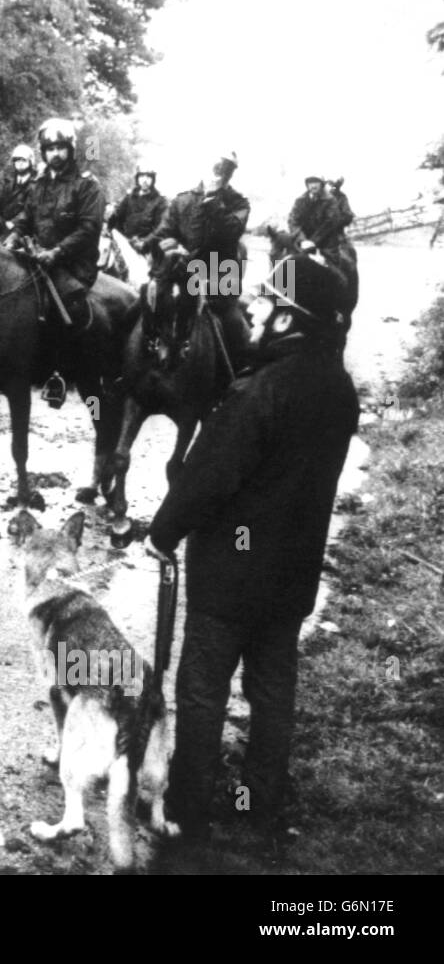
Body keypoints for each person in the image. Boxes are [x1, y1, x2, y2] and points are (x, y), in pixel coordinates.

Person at [145, 268, 359, 855]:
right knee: (272, 692)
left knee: (203, 689)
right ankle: (261, 809)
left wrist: (163, 532)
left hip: (230, 579)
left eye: (266, 303)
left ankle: (189, 814)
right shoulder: (340, 389)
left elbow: (210, 477)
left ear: (289, 318)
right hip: (291, 577)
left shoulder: (258, 390)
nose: (255, 310)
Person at [6, 118, 105, 404]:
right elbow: (26, 217)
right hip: (38, 258)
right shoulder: (38, 184)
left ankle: (59, 373)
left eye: (61, 148)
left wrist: (57, 252)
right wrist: (12, 237)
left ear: (71, 149)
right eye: (50, 149)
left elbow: (89, 229)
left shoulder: (87, 185)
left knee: (62, 303)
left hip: (73, 264)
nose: (55, 155)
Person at [141, 151, 251, 370]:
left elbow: (232, 231)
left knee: (234, 324)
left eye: (226, 168)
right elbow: (165, 230)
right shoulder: (182, 200)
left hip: (218, 274)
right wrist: (150, 244)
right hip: (178, 270)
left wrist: (213, 202)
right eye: (216, 166)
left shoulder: (238, 203)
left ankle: (236, 382)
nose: (219, 172)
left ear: (231, 173)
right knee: (142, 301)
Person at [0, 143, 35, 237]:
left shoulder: (34, 186)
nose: (19, 163)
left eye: (23, 159)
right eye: (16, 160)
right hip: (2, 226)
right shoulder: (9, 185)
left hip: (20, 230)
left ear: (30, 162)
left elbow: (29, 211)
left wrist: (13, 222)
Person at [107, 166, 167, 243]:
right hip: (125, 242)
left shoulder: (160, 201)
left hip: (146, 246)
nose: (145, 180)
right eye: (142, 176)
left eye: (149, 177)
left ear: (153, 180)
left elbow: (160, 228)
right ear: (137, 178)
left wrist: (145, 242)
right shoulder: (129, 197)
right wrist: (109, 228)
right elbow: (117, 216)